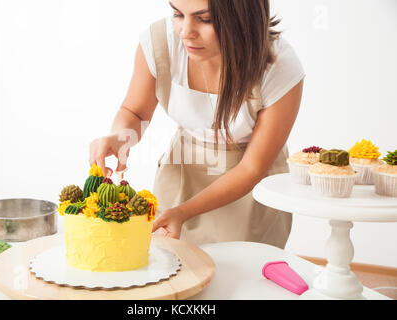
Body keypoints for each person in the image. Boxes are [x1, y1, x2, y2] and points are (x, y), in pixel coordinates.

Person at [89, 0, 304, 248]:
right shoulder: (160, 43)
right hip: (182, 176)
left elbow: (251, 169)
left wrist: (184, 211)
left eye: (205, 19)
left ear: (244, 18)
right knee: (171, 271)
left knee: (241, 276)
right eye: (178, 14)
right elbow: (134, 112)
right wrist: (120, 137)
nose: (185, 31)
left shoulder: (278, 67)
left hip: (248, 193)